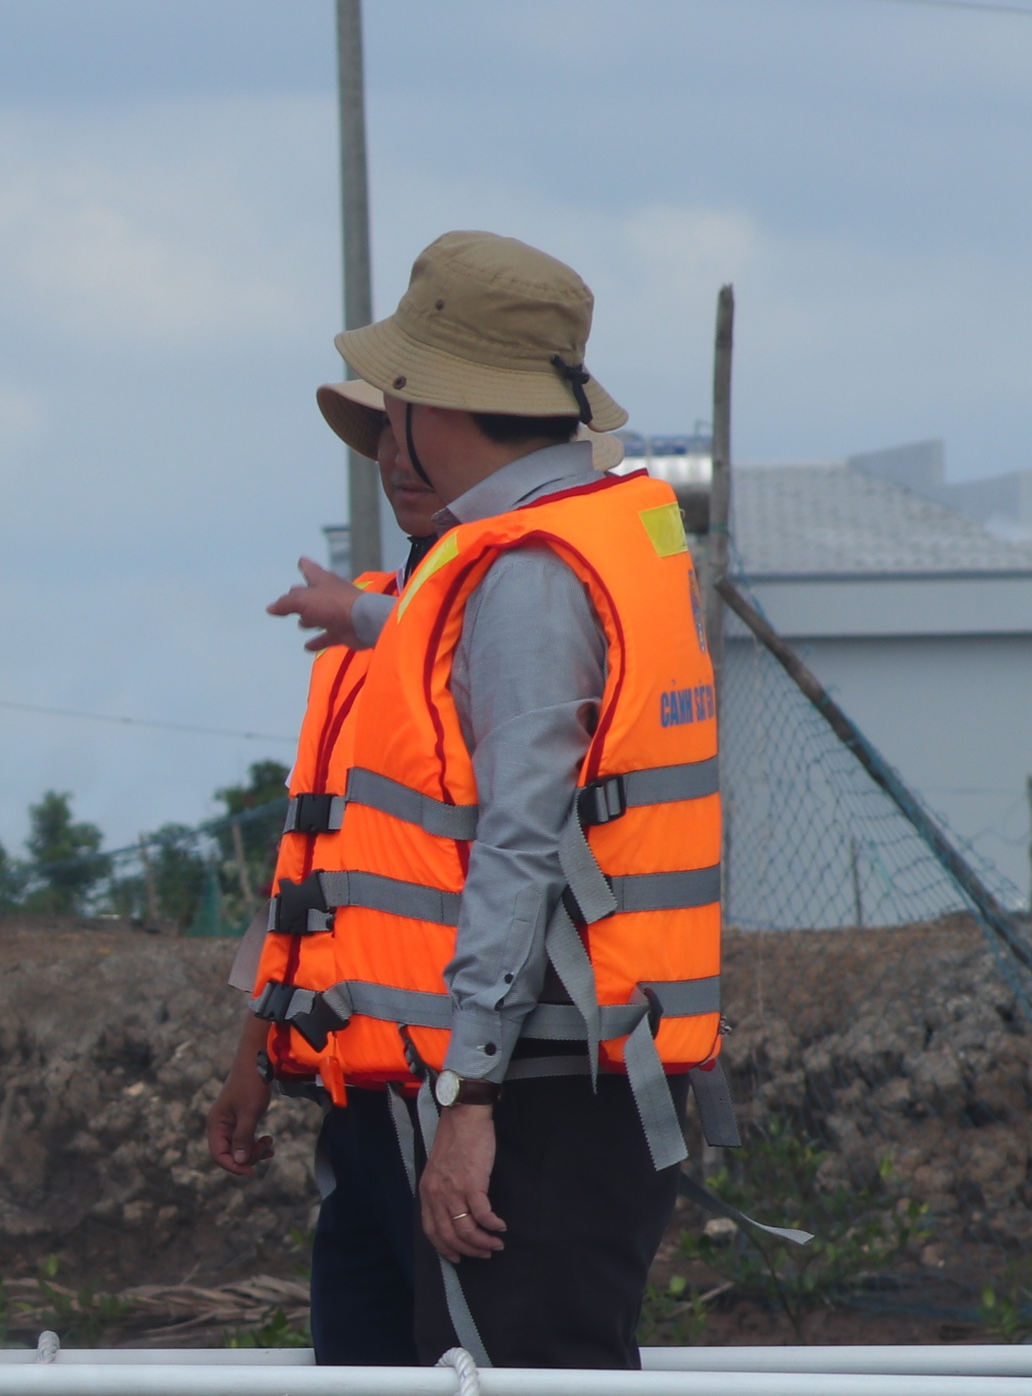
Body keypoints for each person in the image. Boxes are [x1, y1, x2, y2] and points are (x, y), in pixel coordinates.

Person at [267, 231, 721, 1369]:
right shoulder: (568, 543)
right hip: (572, 1059)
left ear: (426, 400)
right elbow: (479, 667)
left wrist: (467, 1093)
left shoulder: (525, 571)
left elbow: (518, 844)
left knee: (509, 1376)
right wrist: (364, 618)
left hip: (531, 1083)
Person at [208, 381, 626, 1366]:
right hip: (366, 1085)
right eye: (379, 440)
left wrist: (469, 1098)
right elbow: (321, 871)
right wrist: (256, 1047)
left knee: (481, 1365)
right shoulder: (388, 632)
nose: (395, 459)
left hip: (467, 1079)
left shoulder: (517, 600)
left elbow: (517, 842)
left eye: (409, 433)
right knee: (361, 1362)